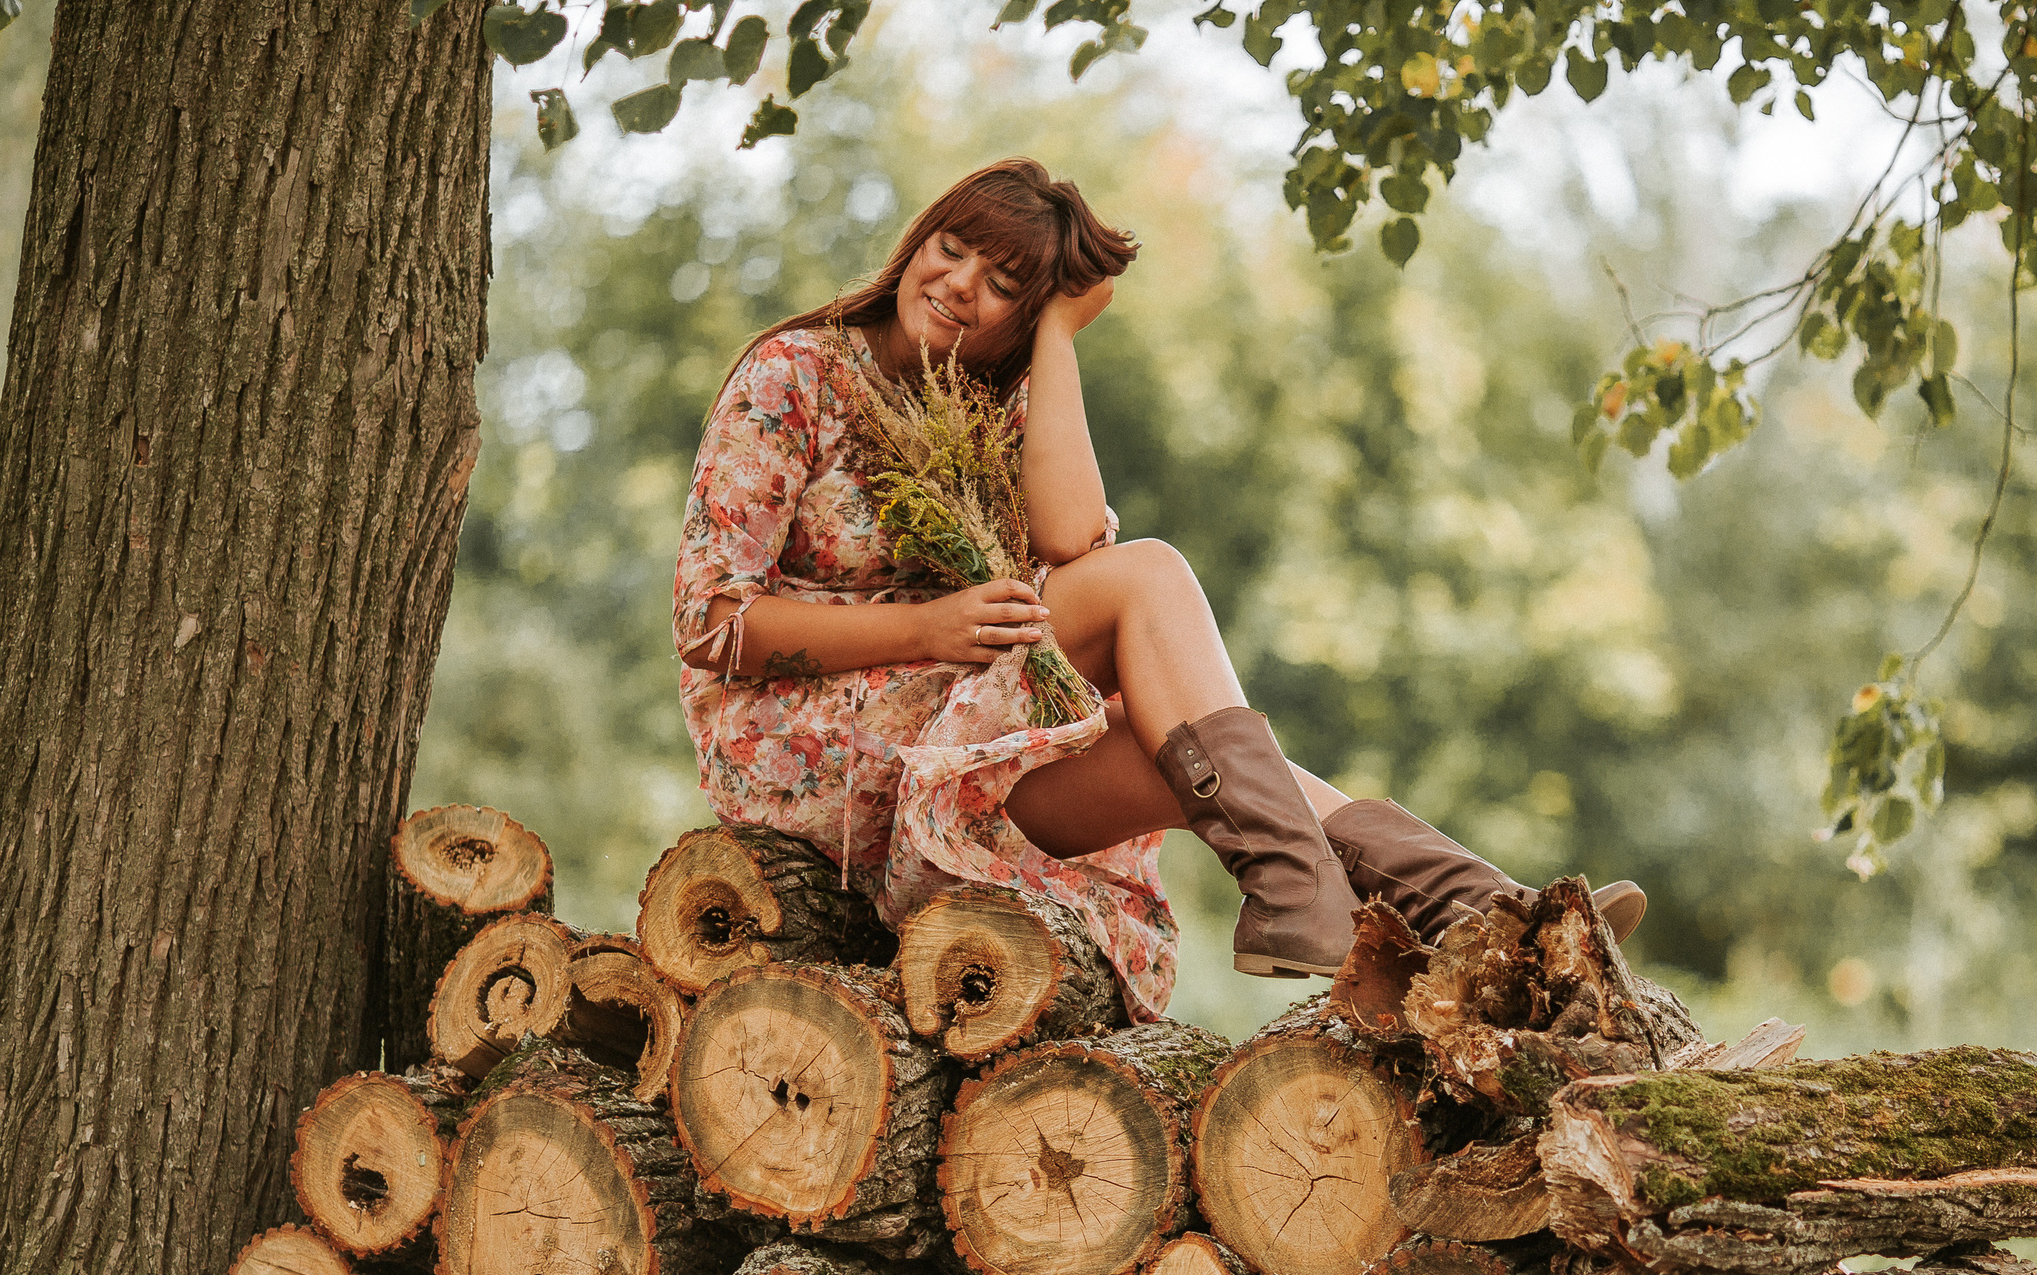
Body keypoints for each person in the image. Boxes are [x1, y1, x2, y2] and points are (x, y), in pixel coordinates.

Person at [674, 158, 1643, 1022]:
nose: (962, 284)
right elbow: (711, 626)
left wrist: (1055, 336)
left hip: (959, 762)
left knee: (1173, 748)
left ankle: (1491, 921)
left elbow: (1067, 535)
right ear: (916, 240)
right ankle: (1307, 893)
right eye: (953, 248)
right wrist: (928, 626)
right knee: (1151, 578)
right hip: (813, 767)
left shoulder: (983, 401)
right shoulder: (794, 375)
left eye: (1005, 283)